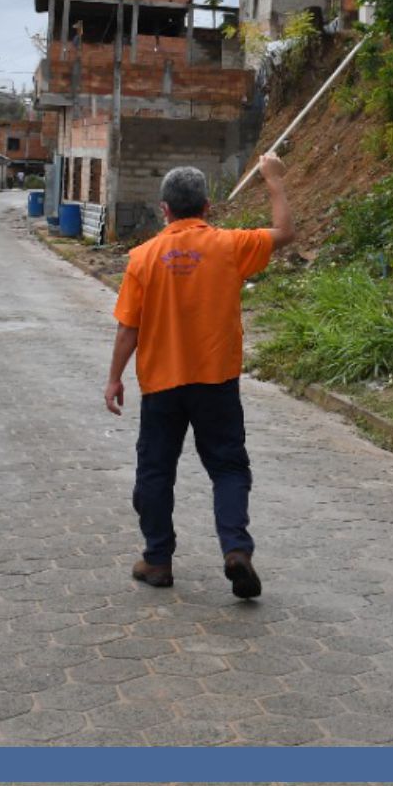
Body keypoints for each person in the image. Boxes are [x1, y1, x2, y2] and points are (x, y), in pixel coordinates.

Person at [105, 153, 292, 599]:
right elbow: (286, 233)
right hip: (216, 381)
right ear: (207, 207)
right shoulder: (229, 246)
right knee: (228, 468)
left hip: (162, 386)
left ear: (164, 209)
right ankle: (236, 551)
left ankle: (157, 560)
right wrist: (274, 181)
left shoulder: (142, 258)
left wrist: (114, 378)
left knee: (155, 472)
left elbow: (128, 328)